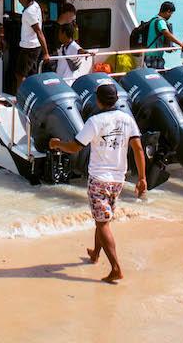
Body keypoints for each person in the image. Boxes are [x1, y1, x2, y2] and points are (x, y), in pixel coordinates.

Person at [49, 84, 148, 283]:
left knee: (102, 223)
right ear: (116, 99)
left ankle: (116, 268)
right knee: (102, 219)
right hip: (118, 179)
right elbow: (138, 149)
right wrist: (142, 178)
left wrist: (57, 144)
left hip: (99, 179)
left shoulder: (95, 121)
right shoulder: (127, 119)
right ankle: (95, 253)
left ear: (98, 100)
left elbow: (75, 147)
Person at [11, 0, 49, 91]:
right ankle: (32, 94)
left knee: (20, 75)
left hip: (29, 48)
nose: (18, 0)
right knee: (32, 75)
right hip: (34, 47)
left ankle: (20, 99)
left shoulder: (29, 12)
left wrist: (46, 53)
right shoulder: (35, 4)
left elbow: (39, 31)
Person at [145, 1, 183, 69]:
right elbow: (167, 33)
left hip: (149, 54)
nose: (171, 16)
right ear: (168, 11)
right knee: (158, 75)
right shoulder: (160, 21)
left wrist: (170, 46)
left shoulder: (153, 19)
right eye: (171, 13)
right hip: (154, 56)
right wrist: (181, 44)